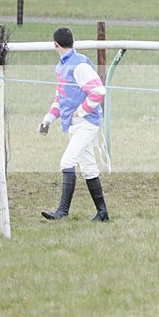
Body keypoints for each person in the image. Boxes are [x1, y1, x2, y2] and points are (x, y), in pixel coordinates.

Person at [39, 27, 110, 221]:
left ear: (55, 44)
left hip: (86, 124)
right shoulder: (61, 67)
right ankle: (103, 213)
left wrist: (80, 112)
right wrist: (48, 119)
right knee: (88, 167)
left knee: (67, 162)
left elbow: (98, 91)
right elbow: (60, 98)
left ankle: (62, 211)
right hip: (75, 125)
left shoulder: (79, 65)